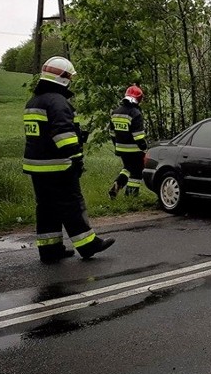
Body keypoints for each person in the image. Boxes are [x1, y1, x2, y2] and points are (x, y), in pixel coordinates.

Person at [23, 56, 115, 263]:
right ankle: (88, 245)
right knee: (72, 204)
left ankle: (50, 250)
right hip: (58, 166)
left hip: (36, 167)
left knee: (46, 208)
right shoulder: (58, 101)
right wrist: (76, 157)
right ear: (63, 78)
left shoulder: (34, 101)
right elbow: (62, 134)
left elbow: (43, 134)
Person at [108, 84, 148, 198]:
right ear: (138, 99)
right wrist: (144, 148)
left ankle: (118, 183)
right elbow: (138, 136)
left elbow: (111, 133)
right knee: (136, 172)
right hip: (134, 149)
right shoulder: (135, 113)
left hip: (121, 148)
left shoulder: (115, 112)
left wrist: (116, 145)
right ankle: (131, 196)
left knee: (127, 168)